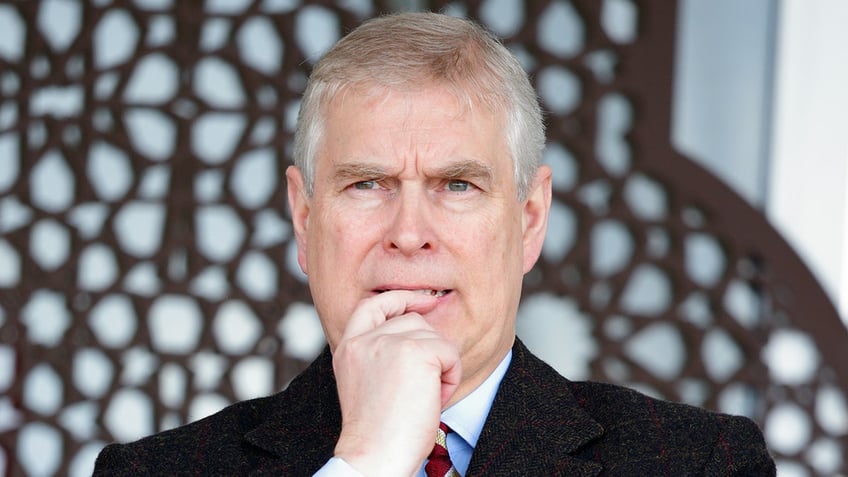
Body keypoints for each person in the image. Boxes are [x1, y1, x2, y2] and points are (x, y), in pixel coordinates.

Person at [94, 12, 776, 476]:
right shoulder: (155, 470)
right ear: (304, 218)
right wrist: (366, 460)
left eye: (456, 184)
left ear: (529, 217)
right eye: (366, 183)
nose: (409, 232)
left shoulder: (701, 462)